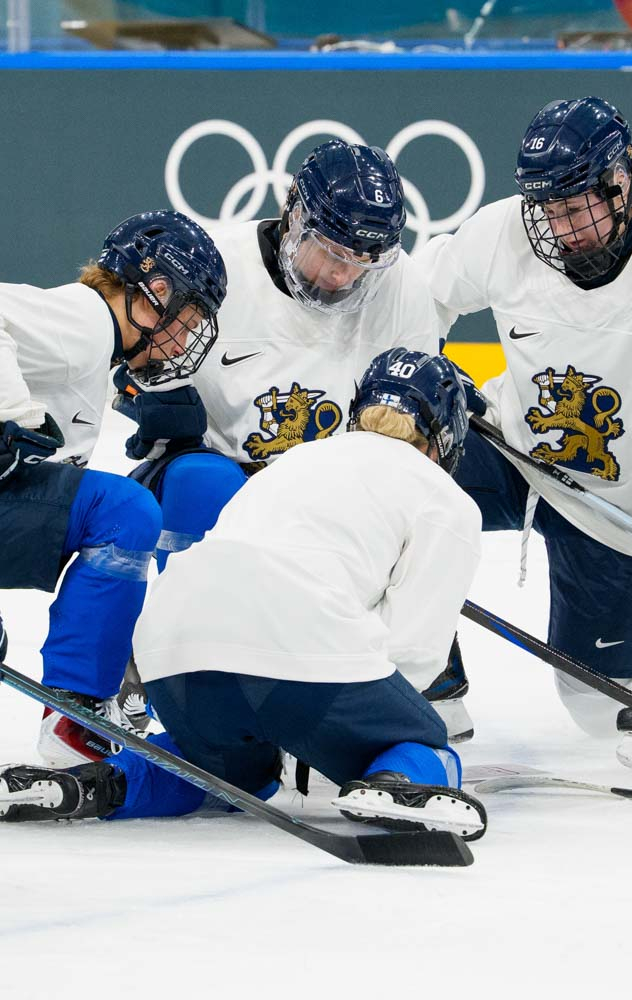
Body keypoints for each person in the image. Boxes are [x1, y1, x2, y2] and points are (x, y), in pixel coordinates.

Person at [0, 349, 487, 838]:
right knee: (427, 740)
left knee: (229, 776)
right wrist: (339, 732)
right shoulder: (447, 500)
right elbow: (415, 655)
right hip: (303, 642)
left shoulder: (295, 458)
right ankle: (395, 782)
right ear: (449, 432)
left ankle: (93, 784)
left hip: (172, 643)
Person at [413, 96, 632, 760]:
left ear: (622, 184)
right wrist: (416, 386)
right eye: (546, 207)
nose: (558, 227)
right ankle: (427, 681)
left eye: (575, 206)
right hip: (508, 448)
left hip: (619, 511)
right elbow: (421, 295)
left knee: (596, 709)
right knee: (397, 479)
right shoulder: (506, 232)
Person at [116, 140, 465, 733]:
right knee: (201, 481)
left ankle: (371, 667)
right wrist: (158, 404)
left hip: (333, 495)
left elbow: (407, 439)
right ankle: (186, 662)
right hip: (223, 477)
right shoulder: (213, 268)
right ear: (293, 213)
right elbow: (132, 367)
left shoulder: (402, 290)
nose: (341, 274)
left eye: (361, 260)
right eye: (329, 251)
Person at [0, 210, 227, 767]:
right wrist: (9, 414)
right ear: (154, 293)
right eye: (188, 318)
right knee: (124, 511)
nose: (181, 345)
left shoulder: (93, 355)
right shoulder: (86, 321)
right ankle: (75, 718)